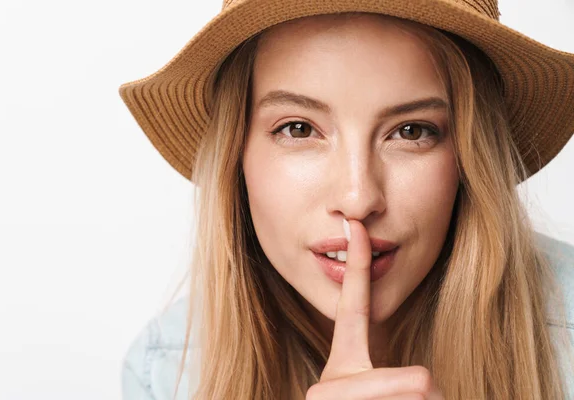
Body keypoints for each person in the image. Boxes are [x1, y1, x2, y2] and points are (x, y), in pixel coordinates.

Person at [118, 1, 574, 399]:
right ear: (237, 156)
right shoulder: (167, 371)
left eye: (411, 131)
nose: (358, 200)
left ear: (471, 159)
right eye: (298, 129)